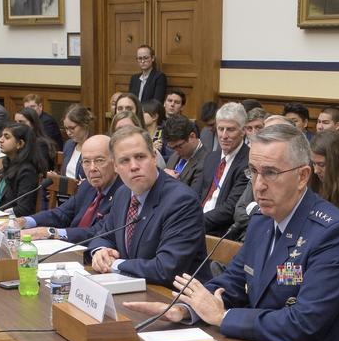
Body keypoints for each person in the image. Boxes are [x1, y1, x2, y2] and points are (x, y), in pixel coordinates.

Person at [123, 122, 339, 341]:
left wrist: (222, 317)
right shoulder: (261, 220)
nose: (258, 185)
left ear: (303, 176)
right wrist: (186, 308)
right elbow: (233, 283)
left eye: (270, 173)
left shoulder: (333, 233)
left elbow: (303, 323)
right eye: (253, 171)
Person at [85, 128, 204, 285]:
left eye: (140, 157)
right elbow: (104, 235)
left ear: (154, 157)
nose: (133, 166)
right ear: (115, 166)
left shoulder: (181, 201)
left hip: (172, 298)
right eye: (124, 160)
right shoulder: (123, 193)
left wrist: (114, 264)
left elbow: (166, 268)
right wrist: (100, 252)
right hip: (130, 287)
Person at [21, 133, 119, 242]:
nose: (92, 168)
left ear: (115, 162)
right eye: (86, 162)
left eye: (99, 160)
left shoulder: (122, 193)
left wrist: (51, 233)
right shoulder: (87, 186)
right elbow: (61, 213)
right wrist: (25, 221)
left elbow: (96, 232)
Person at [185, 101, 251, 235]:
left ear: (243, 131)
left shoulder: (248, 161)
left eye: (230, 129)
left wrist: (194, 223)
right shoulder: (211, 158)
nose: (224, 136)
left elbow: (230, 209)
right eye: (221, 129)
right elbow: (194, 194)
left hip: (220, 232)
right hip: (196, 225)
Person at [0, 123, 43, 218]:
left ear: (20, 144)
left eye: (7, 137)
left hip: (13, 223)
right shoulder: (8, 164)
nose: (0, 140)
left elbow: (24, 209)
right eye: (1, 136)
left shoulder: (27, 171)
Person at [161, 113, 203, 181]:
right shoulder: (174, 156)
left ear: (192, 136)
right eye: (172, 148)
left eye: (179, 146)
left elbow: (193, 191)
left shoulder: (205, 162)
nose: (176, 152)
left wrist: (170, 181)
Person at [13, 106, 57, 170]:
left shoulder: (42, 144)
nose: (17, 126)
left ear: (33, 124)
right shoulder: (18, 140)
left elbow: (38, 168)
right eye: (15, 122)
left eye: (21, 122)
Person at [60, 104, 94, 181]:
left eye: (72, 128)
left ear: (84, 125)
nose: (68, 133)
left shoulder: (94, 146)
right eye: (66, 128)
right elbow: (65, 173)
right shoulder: (68, 144)